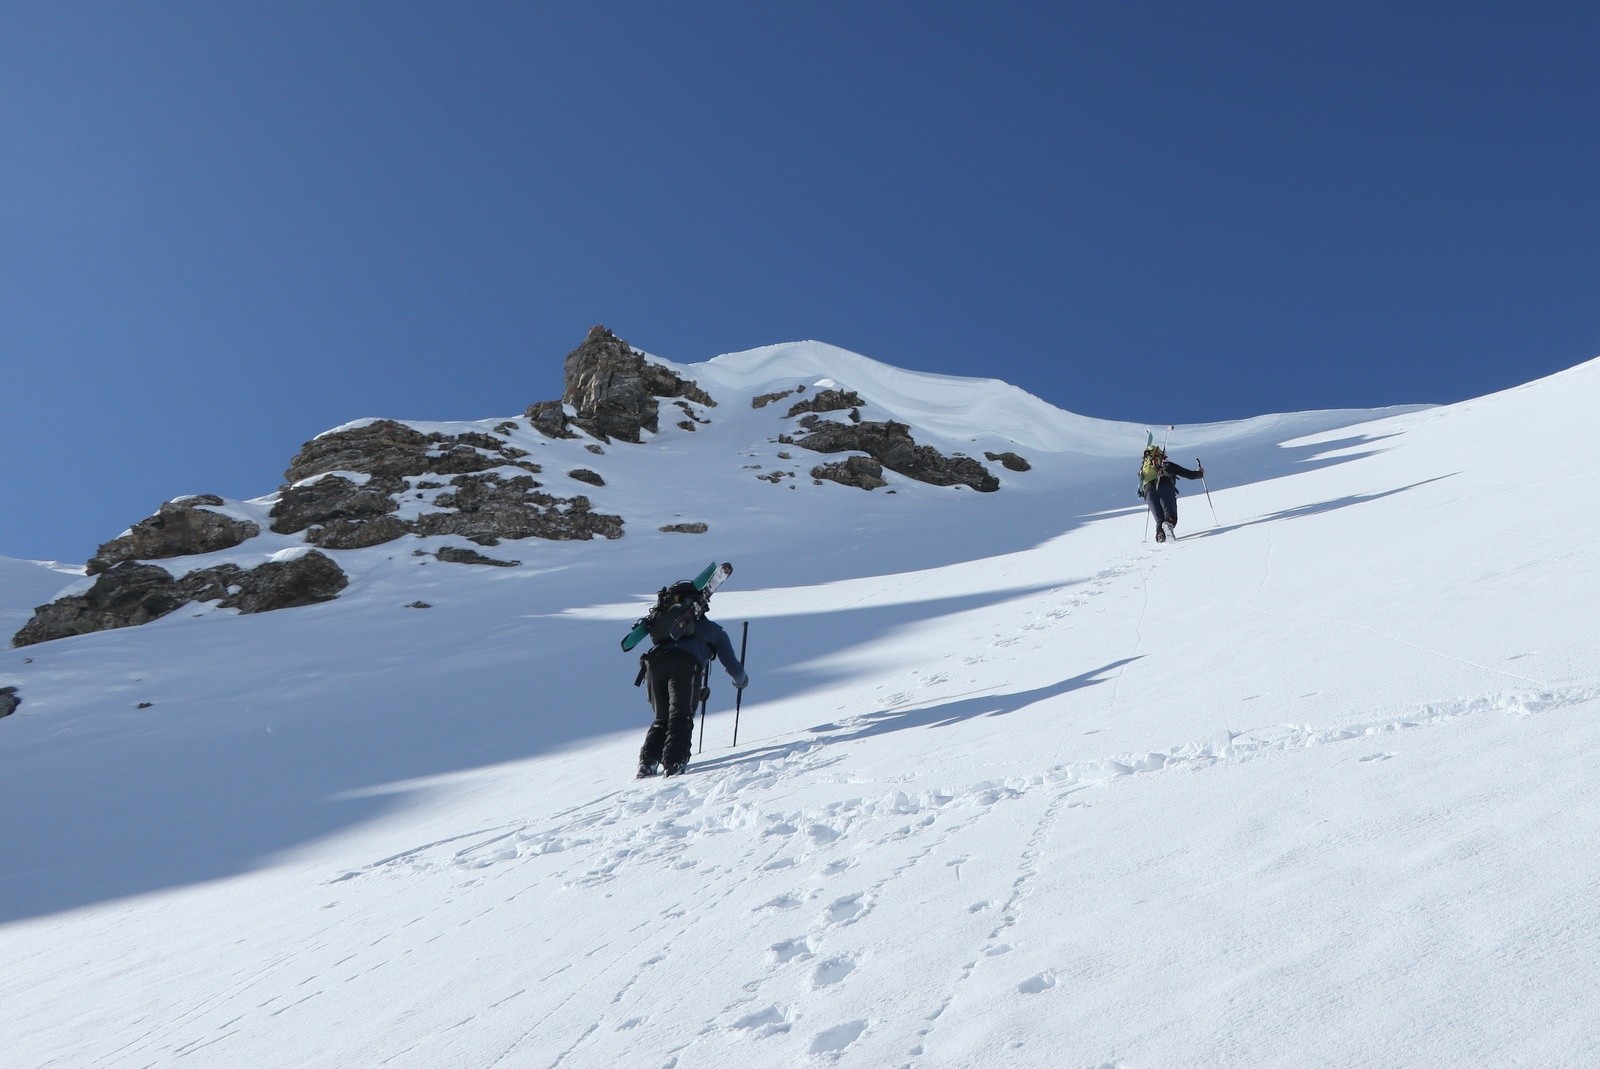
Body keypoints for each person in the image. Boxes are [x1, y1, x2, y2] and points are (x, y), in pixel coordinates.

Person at [636, 580, 747, 778]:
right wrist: (741, 681)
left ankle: (647, 763)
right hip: (685, 664)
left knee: (662, 717)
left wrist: (696, 693)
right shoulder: (711, 630)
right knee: (681, 715)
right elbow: (733, 667)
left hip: (653, 663)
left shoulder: (663, 627)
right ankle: (675, 762)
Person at [1138, 445, 1204, 543]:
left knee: (1159, 520)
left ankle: (1160, 534)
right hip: (1164, 486)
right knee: (1170, 515)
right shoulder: (1166, 465)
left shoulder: (1143, 470)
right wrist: (1199, 473)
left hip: (1148, 492)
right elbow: (1187, 473)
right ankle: (1168, 525)